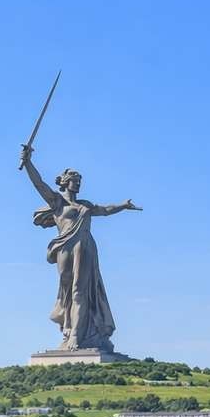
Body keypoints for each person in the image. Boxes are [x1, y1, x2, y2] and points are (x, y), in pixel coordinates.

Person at [21, 145, 141, 351]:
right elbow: (39, 184)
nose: (78, 184)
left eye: (79, 181)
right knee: (67, 291)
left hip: (84, 247)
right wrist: (28, 162)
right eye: (74, 180)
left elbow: (105, 210)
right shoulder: (57, 202)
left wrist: (123, 205)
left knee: (79, 291)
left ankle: (76, 336)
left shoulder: (85, 205)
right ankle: (70, 329)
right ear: (65, 182)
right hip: (64, 247)